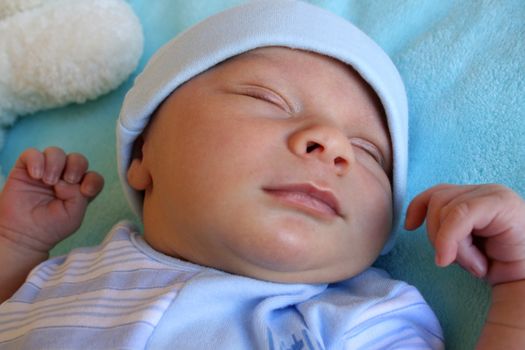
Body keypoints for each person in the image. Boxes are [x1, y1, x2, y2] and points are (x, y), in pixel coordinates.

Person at [0, 1, 523, 349]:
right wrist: (18, 244)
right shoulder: (66, 274)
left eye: (369, 153)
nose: (332, 144)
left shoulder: (356, 318)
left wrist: (515, 282)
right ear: (142, 155)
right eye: (266, 98)